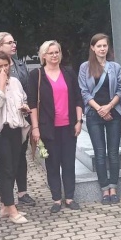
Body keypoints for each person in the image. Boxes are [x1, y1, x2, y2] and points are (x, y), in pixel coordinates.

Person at [27, 41, 84, 213]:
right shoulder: (36, 75)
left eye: (57, 52)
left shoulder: (68, 73)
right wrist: (35, 128)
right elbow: (32, 105)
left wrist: (79, 121)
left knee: (68, 163)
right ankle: (56, 199)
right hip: (48, 128)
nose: (54, 55)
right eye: (50, 52)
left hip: (68, 126)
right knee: (52, 164)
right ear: (43, 55)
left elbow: (78, 98)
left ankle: (70, 198)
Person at [0, 32, 36, 207]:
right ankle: (7, 201)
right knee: (5, 163)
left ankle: (21, 193)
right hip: (1, 126)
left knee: (19, 159)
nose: (14, 45)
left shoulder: (19, 67)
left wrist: (26, 107)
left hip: (19, 122)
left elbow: (24, 93)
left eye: (14, 41)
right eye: (9, 42)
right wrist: (2, 82)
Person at [78, 34, 121, 204]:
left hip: (114, 113)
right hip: (93, 114)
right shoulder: (85, 67)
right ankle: (104, 189)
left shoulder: (115, 67)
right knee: (99, 152)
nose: (102, 49)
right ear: (92, 48)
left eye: (105, 45)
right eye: (99, 46)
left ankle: (113, 187)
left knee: (113, 152)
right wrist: (99, 109)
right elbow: (84, 91)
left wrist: (109, 107)